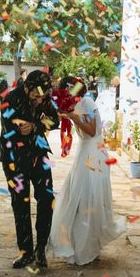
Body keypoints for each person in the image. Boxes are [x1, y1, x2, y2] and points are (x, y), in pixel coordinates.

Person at [49, 79, 125, 264]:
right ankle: (77, 245)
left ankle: (88, 247)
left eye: (65, 90)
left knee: (90, 198)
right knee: (78, 197)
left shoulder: (87, 103)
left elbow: (91, 130)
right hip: (84, 152)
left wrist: (73, 117)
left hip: (94, 153)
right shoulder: (74, 104)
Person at [0, 70, 59, 269]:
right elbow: (7, 127)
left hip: (39, 154)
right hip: (14, 157)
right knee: (20, 204)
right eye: (36, 95)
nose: (40, 100)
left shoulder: (45, 97)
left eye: (43, 96)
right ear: (27, 87)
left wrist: (36, 125)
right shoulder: (10, 98)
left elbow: (55, 120)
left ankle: (41, 249)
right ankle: (26, 253)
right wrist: (21, 128)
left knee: (46, 199)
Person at [52, 76, 77, 157]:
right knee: (68, 130)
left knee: (63, 130)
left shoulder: (57, 92)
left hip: (61, 112)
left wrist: (57, 111)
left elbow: (54, 101)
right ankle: (66, 148)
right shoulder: (70, 92)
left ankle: (64, 147)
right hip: (68, 113)